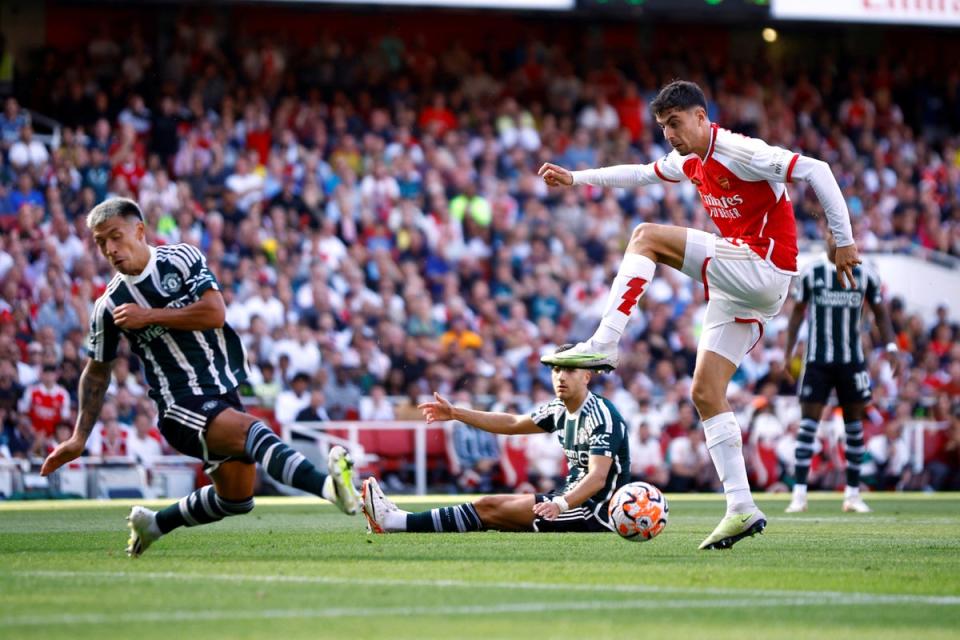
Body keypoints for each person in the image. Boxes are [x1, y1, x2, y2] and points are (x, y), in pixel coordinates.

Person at [537, 80, 859, 550]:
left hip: (764, 266)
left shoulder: (739, 150)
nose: (668, 133)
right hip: (743, 285)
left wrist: (843, 238)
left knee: (646, 235)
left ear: (702, 118)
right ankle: (741, 507)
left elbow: (817, 169)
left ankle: (605, 340)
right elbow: (640, 174)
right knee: (705, 392)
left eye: (675, 123)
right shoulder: (689, 160)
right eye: (663, 126)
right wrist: (576, 178)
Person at [40, 198, 359, 557]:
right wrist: (79, 437)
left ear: (140, 230)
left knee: (237, 499)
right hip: (179, 406)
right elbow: (96, 372)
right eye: (101, 243)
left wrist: (149, 316)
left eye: (115, 236)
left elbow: (214, 312)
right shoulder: (109, 306)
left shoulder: (182, 258)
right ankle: (331, 489)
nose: (110, 249)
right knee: (255, 431)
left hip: (222, 392)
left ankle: (155, 523)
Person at [361, 345, 630, 535]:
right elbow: (512, 423)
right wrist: (455, 412)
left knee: (489, 509)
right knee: (488, 505)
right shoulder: (559, 410)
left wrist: (559, 504)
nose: (560, 376)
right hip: (569, 501)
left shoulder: (601, 415)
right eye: (556, 369)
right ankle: (396, 519)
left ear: (587, 376)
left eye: (569, 370)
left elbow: (597, 479)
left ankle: (395, 521)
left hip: (595, 513)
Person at [784, 229, 899, 513]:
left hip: (851, 360)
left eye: (840, 235)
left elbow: (881, 313)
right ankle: (799, 494)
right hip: (817, 360)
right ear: (825, 238)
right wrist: (788, 351)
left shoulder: (866, 274)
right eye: (831, 235)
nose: (835, 240)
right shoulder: (812, 273)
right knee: (809, 425)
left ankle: (852, 494)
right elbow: (798, 313)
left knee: (854, 426)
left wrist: (892, 348)